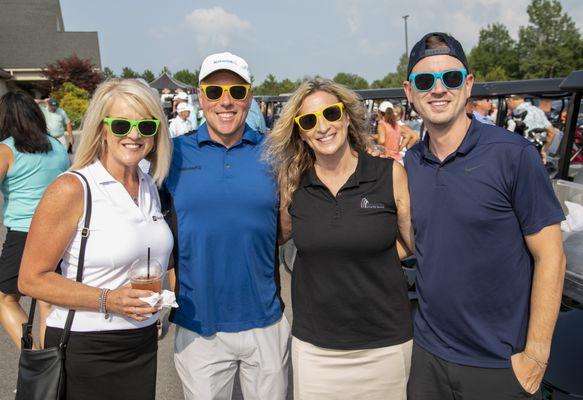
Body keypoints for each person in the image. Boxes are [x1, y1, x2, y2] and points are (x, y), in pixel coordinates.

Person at [402, 32, 566, 399]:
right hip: (428, 357)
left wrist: (536, 357)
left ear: (468, 84)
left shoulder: (513, 155)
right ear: (409, 92)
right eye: (425, 80)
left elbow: (551, 256)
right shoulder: (412, 163)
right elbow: (417, 239)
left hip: (499, 365)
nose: (439, 89)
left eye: (452, 78)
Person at [18, 79, 173, 400]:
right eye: (121, 125)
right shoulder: (74, 188)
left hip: (141, 344)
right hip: (86, 347)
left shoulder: (151, 186)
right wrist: (108, 299)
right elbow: (31, 279)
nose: (134, 135)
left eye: (145, 125)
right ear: (102, 129)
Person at [264, 78, 415, 399]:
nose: (322, 127)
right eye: (309, 121)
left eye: (330, 114)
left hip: (385, 346)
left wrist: (371, 257)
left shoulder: (388, 174)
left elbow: (412, 243)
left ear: (346, 116)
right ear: (301, 132)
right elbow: (273, 238)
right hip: (317, 351)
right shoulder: (293, 184)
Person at [164, 52, 290, 400]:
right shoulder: (173, 153)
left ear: (249, 96)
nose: (226, 101)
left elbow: (286, 223)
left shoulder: (274, 152)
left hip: (265, 319)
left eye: (236, 91)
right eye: (214, 91)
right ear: (200, 97)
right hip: (198, 323)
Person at [0, 91, 69, 349]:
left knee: (5, 299)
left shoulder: (6, 149)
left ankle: (34, 358)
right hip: (60, 232)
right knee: (47, 301)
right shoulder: (57, 146)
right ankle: (52, 369)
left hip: (24, 233)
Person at [506, 94, 558, 162]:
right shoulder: (537, 111)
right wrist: (543, 150)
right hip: (536, 154)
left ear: (510, 100)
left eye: (506, 101)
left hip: (519, 156)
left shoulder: (515, 115)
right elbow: (552, 132)